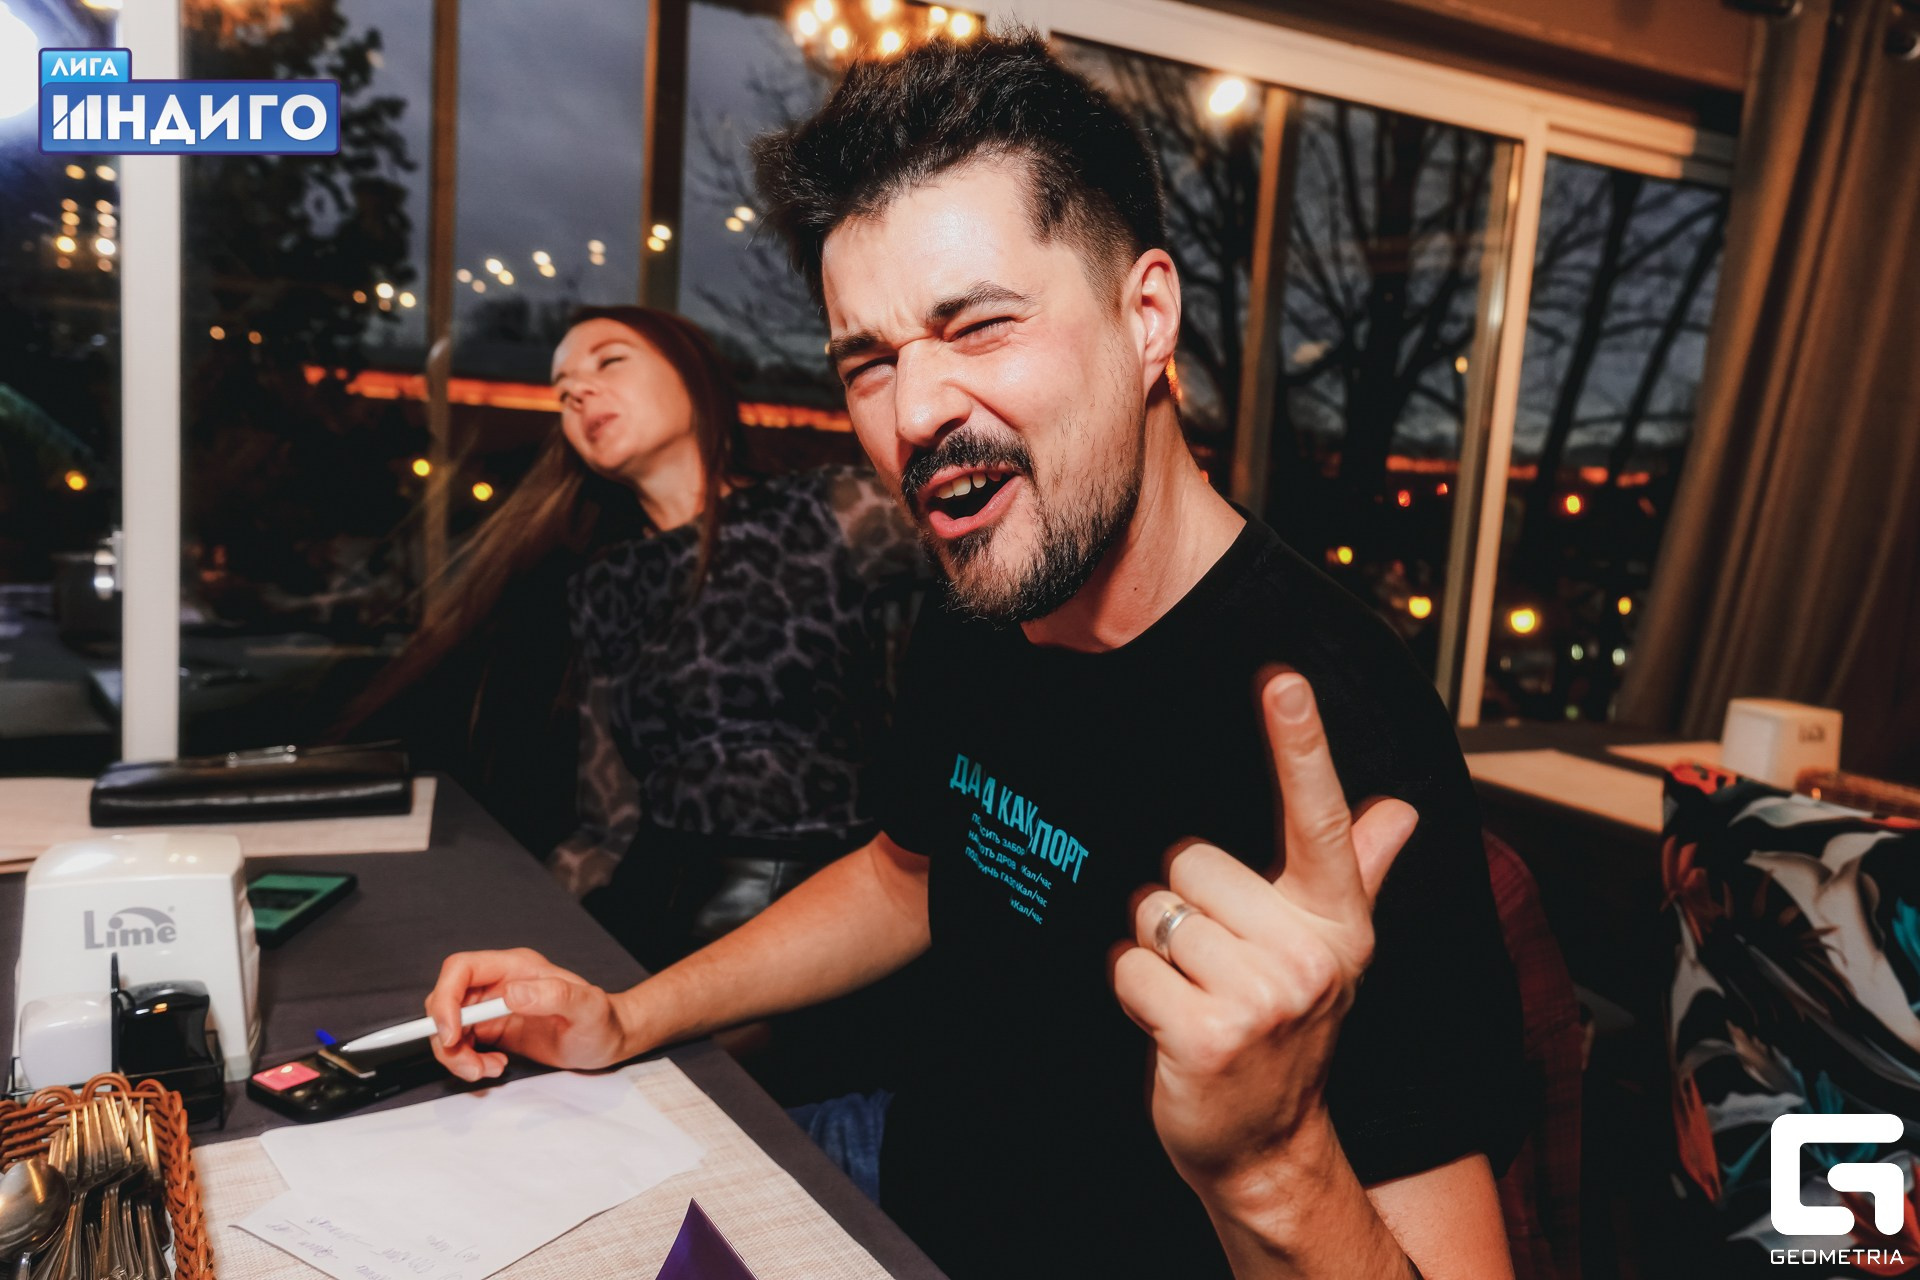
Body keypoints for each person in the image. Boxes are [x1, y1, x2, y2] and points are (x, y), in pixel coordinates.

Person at [423, 34, 1525, 1280]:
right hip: (899, 1175)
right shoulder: (990, 583)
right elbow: (906, 875)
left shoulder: (1343, 726)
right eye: (870, 361)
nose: (915, 411)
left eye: (981, 326)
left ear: (1146, 316)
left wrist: (1272, 1159)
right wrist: (627, 1014)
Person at [343, 305, 924, 978]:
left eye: (609, 361)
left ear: (693, 375)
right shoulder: (605, 585)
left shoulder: (835, 511)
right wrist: (511, 933)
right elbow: (608, 821)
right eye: (563, 392)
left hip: (831, 907)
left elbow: (996, 586)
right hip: (659, 901)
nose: (578, 393)